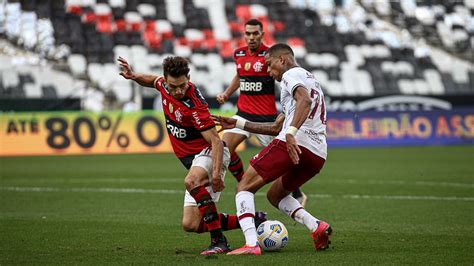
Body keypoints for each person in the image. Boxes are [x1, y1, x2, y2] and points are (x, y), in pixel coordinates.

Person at [117, 56, 267, 255]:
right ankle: (252, 219)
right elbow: (153, 81)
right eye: (173, 86)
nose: (178, 91)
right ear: (166, 80)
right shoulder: (164, 85)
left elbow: (215, 141)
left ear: (188, 78)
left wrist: (215, 174)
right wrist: (134, 76)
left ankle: (219, 241)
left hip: (210, 153)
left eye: (182, 85)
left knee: (192, 181)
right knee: (191, 224)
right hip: (195, 159)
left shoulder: (195, 105)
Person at [214, 44, 332, 255]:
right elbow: (276, 126)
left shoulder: (291, 74)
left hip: (296, 142)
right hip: (318, 153)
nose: (268, 72)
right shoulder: (308, 78)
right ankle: (316, 226)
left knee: (244, 187)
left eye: (269, 65)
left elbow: (304, 101)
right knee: (275, 195)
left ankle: (251, 244)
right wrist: (238, 124)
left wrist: (291, 133)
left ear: (282, 60)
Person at [216, 18, 307, 206]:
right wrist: (226, 93)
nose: (251, 37)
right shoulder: (238, 54)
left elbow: (284, 79)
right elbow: (240, 75)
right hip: (242, 114)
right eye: (247, 33)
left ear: (262, 34)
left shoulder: (270, 56)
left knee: (280, 161)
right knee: (224, 147)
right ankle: (239, 180)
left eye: (255, 33)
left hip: (266, 120)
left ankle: (296, 192)